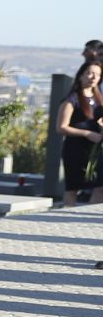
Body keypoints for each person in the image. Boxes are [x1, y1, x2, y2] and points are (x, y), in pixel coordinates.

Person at [55, 61, 103, 207]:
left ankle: (88, 212)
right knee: (73, 189)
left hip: (95, 150)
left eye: (98, 74)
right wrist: (86, 133)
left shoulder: (98, 98)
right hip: (75, 149)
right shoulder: (72, 99)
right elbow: (61, 127)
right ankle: (68, 212)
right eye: (90, 73)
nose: (93, 77)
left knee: (99, 187)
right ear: (81, 75)